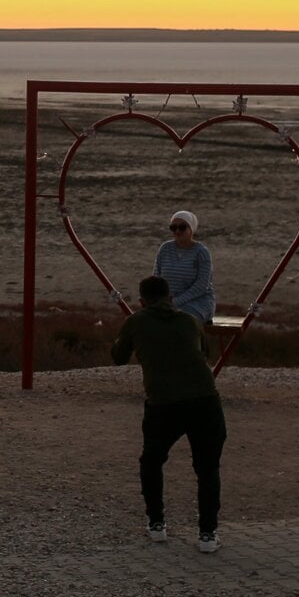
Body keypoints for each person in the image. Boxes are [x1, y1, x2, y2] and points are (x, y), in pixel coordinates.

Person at [112, 275, 226, 553]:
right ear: (171, 298)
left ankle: (156, 524)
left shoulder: (135, 322)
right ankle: (208, 534)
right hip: (205, 401)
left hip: (163, 404)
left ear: (141, 301)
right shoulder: (190, 321)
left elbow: (117, 357)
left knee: (152, 461)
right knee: (207, 468)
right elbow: (205, 352)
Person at [153, 209, 214, 324]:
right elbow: (157, 277)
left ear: (191, 229)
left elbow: (202, 286)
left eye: (182, 227)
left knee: (180, 320)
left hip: (197, 303)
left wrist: (176, 302)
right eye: (173, 227)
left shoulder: (201, 252)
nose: (177, 231)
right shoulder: (165, 249)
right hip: (168, 303)